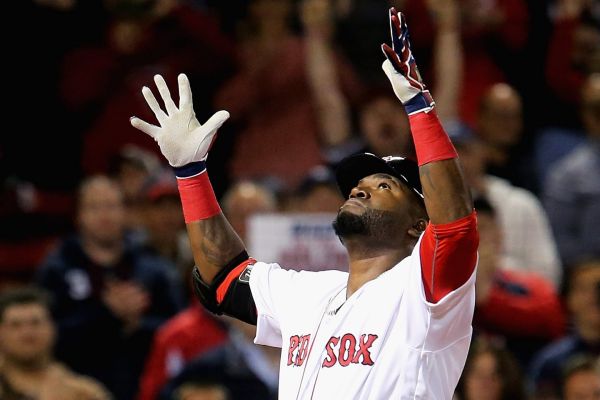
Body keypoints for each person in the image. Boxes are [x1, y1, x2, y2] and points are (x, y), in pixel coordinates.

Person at [130, 8, 478, 399]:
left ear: (418, 224)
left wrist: (419, 109)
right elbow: (223, 277)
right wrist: (191, 174)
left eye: (384, 186)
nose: (360, 190)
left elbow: (455, 226)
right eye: (357, 185)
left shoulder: (426, 292)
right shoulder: (306, 293)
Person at [36, 175, 183, 400]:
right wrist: (106, 314)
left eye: (112, 206)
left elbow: (179, 329)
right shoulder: (57, 268)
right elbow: (47, 334)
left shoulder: (154, 269)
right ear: (79, 215)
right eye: (94, 207)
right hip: (77, 388)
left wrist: (137, 324)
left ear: (126, 212)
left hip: (147, 388)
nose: (104, 215)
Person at [0, 287, 112, 400]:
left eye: (36, 323)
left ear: (53, 329)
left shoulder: (84, 393)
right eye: (15, 325)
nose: (27, 333)